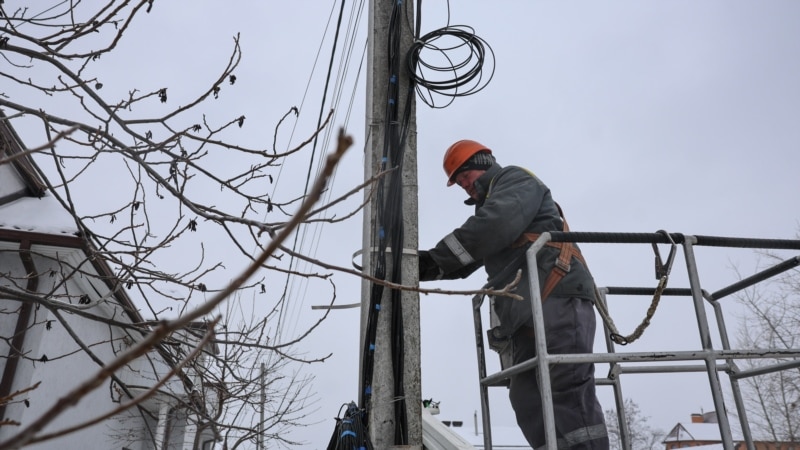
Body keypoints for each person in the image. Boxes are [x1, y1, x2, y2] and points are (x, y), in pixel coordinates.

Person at [418, 139, 609, 449]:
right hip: (526, 311)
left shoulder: (515, 180)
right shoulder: (491, 206)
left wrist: (432, 258)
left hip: (558, 295)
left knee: (567, 387)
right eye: (458, 182)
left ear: (481, 164)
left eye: (464, 176)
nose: (464, 185)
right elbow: (471, 253)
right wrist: (421, 267)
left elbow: (492, 227)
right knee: (526, 395)